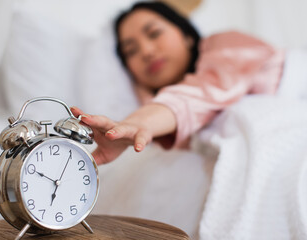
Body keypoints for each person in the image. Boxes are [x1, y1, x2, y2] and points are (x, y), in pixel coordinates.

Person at [71, 1, 285, 165]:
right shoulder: (166, 114)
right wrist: (135, 124)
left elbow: (203, 94)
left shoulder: (225, 44)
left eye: (154, 33)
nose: (147, 51)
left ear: (186, 34)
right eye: (131, 51)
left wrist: (139, 122)